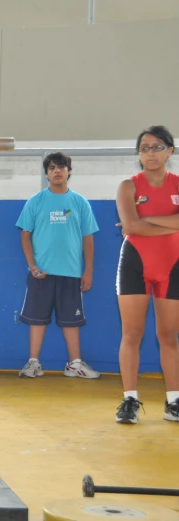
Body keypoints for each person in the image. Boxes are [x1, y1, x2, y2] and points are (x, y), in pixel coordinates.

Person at [114, 125, 179, 424]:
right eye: (144, 148)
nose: (150, 153)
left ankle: (173, 401)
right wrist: (170, 222)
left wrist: (147, 217)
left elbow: (139, 224)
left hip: (173, 265)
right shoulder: (128, 186)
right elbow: (131, 227)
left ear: (170, 150)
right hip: (135, 264)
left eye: (156, 147)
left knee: (168, 335)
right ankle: (130, 399)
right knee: (132, 334)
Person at [16, 152, 100, 379]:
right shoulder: (35, 201)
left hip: (71, 273)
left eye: (61, 167)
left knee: (71, 321)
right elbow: (25, 235)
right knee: (37, 319)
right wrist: (32, 266)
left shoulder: (80, 202)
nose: (57, 171)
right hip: (41, 273)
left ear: (69, 171)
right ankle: (33, 363)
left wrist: (88, 271)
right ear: (46, 174)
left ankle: (74, 364)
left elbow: (88, 238)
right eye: (52, 168)